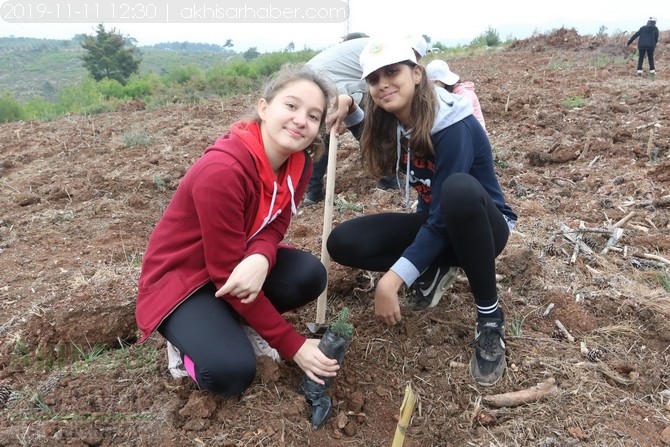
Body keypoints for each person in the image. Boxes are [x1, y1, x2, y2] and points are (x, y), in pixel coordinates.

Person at [135, 64, 342, 397]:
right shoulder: (222, 171)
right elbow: (225, 274)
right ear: (263, 108)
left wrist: (261, 255)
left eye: (314, 115)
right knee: (229, 374)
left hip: (234, 264)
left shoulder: (299, 163)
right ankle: (186, 347)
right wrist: (293, 345)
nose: (301, 120)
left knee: (309, 275)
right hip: (182, 281)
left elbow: (277, 222)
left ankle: (232, 323)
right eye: (291, 106)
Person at [326, 38, 518, 387]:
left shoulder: (452, 124)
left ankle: (490, 318)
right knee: (342, 241)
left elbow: (445, 214)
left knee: (458, 190)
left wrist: (394, 277)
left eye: (392, 72)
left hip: (484, 231)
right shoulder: (395, 121)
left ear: (417, 74)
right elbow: (368, 134)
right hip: (435, 223)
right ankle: (437, 265)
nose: (383, 83)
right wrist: (350, 105)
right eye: (373, 78)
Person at [303, 33, 430, 205]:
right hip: (328, 82)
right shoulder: (386, 50)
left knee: (327, 131)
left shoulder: (372, 44)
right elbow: (377, 91)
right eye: (416, 57)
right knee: (377, 120)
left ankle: (313, 191)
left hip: (308, 81)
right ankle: (387, 176)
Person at [426, 59, 487, 134]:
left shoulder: (464, 93)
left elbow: (457, 116)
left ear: (440, 82)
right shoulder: (447, 94)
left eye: (433, 83)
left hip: (475, 136)